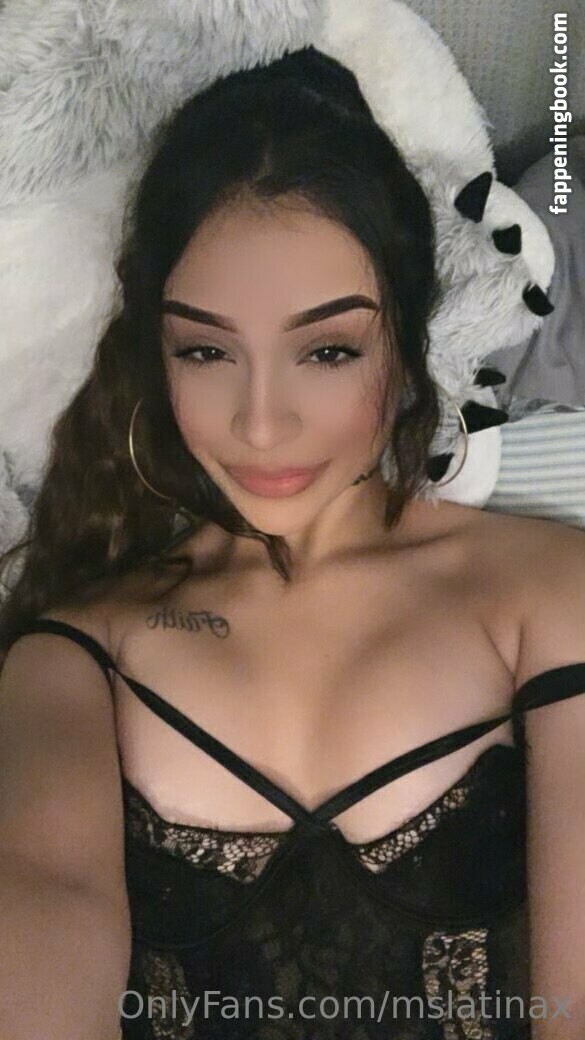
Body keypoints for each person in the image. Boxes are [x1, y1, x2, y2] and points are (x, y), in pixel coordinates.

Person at [0, 45, 584, 1040]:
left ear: (404, 340)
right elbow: (40, 906)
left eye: (326, 349)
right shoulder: (73, 653)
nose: (261, 424)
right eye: (206, 349)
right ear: (156, 356)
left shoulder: (550, 591)